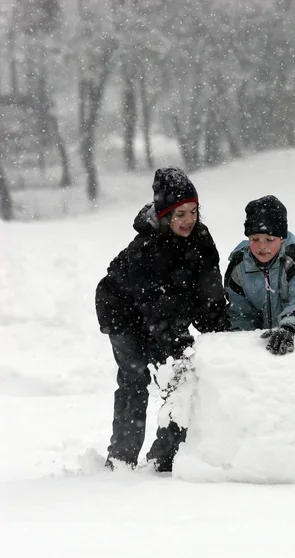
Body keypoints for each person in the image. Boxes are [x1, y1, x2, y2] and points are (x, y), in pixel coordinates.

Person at [95, 166, 226, 471]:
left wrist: (221, 332)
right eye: (179, 214)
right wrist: (179, 344)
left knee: (181, 378)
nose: (188, 220)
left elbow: (210, 292)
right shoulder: (147, 249)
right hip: (123, 313)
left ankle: (164, 457)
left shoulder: (201, 239)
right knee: (135, 378)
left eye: (193, 211)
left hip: (163, 313)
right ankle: (121, 458)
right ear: (165, 215)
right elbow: (156, 308)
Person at [225, 195, 295, 355]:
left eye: (269, 239)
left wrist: (288, 327)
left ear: (281, 238)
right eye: (255, 239)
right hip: (263, 345)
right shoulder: (239, 266)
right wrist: (245, 346)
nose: (261, 246)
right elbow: (239, 313)